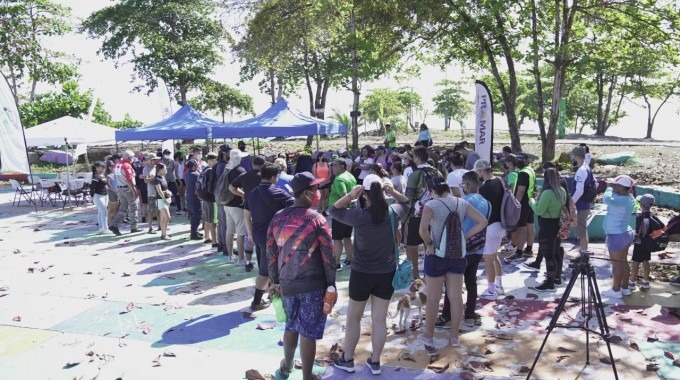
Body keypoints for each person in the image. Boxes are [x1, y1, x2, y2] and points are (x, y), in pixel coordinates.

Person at [331, 176, 410, 375]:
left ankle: (347, 358)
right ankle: (375, 361)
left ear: (364, 194)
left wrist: (350, 195)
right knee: (379, 319)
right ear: (383, 191)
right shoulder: (393, 213)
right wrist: (392, 192)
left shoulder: (358, 215)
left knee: (354, 317)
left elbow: (333, 210)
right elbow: (407, 203)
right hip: (386, 272)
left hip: (361, 273)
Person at [267, 172, 336, 380]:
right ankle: (308, 376)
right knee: (307, 332)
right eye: (315, 189)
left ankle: (286, 368)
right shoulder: (317, 219)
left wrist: (274, 282)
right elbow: (328, 255)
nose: (317, 193)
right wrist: (331, 285)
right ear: (307, 193)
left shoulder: (278, 217)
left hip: (286, 284)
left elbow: (271, 253)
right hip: (313, 285)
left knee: (291, 327)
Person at [417, 176, 487, 348]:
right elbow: (483, 222)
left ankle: (429, 336)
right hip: (458, 254)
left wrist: (430, 244)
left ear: (433, 191)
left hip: (436, 256)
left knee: (433, 298)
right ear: (448, 189)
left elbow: (423, 230)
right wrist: (464, 237)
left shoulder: (431, 205)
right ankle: (454, 336)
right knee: (455, 297)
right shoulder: (461, 203)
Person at [437, 171, 491, 328]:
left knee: (452, 284)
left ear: (467, 185)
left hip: (461, 249)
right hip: (478, 248)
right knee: (471, 281)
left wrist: (464, 237)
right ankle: (469, 314)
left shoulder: (462, 202)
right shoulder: (487, 203)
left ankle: (447, 315)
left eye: (463, 185)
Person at [244, 163, 294, 311]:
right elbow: (297, 207)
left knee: (266, 267)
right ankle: (257, 302)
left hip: (258, 234)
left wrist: (250, 234)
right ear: (274, 177)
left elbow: (246, 216)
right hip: (276, 236)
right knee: (268, 271)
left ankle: (270, 296)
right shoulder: (279, 193)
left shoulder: (252, 193)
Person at [524, 168, 567, 291]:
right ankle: (557, 278)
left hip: (547, 225)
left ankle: (549, 282)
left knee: (549, 255)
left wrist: (532, 201)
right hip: (557, 224)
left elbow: (538, 210)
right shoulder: (562, 191)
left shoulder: (548, 192)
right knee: (556, 252)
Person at [404, 147, 443, 279]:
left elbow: (408, 198)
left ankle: (415, 275)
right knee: (430, 244)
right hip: (436, 214)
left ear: (417, 157)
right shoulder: (438, 173)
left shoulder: (415, 174)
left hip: (416, 215)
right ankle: (429, 274)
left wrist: (403, 217)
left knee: (411, 246)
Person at [474, 159, 506, 299]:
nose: (478, 175)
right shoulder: (499, 181)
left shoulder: (484, 188)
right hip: (501, 224)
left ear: (482, 171)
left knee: (488, 259)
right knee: (494, 256)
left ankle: (491, 290)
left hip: (490, 226)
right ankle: (498, 286)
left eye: (478, 172)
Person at [602, 175, 636, 299]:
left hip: (617, 236)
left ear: (623, 187)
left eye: (616, 185)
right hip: (624, 233)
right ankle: (624, 288)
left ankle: (616, 290)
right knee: (623, 262)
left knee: (616, 264)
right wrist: (613, 186)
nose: (614, 186)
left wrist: (608, 188)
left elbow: (606, 200)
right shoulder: (627, 197)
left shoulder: (621, 199)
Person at [230, 154, 264, 271]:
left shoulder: (244, 176)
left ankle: (248, 261)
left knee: (248, 235)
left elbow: (231, 188)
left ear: (252, 164)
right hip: (263, 207)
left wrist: (243, 194)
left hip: (248, 207)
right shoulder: (264, 176)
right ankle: (263, 262)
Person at [505, 153, 536, 260]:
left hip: (523, 203)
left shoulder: (523, 173)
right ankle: (529, 249)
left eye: (520, 159)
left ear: (527, 160)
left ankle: (519, 251)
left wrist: (515, 204)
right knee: (530, 226)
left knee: (521, 228)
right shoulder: (530, 170)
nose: (519, 161)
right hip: (530, 201)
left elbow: (521, 190)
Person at [328, 159, 357, 270]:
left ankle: (336, 264)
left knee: (337, 239)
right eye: (332, 165)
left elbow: (344, 195)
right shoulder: (350, 176)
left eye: (335, 165)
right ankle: (349, 260)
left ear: (343, 166)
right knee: (347, 237)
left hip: (340, 213)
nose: (332, 167)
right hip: (349, 212)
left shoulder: (339, 179)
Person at [224, 149, 250, 263]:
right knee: (241, 232)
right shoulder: (240, 170)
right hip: (237, 205)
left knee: (229, 230)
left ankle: (230, 256)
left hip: (227, 203)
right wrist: (243, 194)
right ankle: (241, 258)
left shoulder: (227, 169)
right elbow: (238, 187)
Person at [630, 194, 657, 291]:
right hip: (647, 243)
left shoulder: (639, 216)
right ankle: (646, 282)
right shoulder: (651, 216)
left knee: (636, 263)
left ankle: (632, 283)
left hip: (639, 243)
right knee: (646, 262)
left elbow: (641, 231)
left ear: (641, 204)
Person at [110, 150, 141, 235]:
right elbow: (129, 179)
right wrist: (134, 191)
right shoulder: (127, 166)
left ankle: (114, 224)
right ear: (129, 157)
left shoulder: (116, 166)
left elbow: (116, 178)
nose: (132, 159)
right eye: (132, 157)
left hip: (120, 188)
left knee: (123, 209)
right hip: (128, 189)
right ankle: (134, 227)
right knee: (133, 208)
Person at [571, 146, 595, 252]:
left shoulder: (581, 170)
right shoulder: (586, 168)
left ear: (576, 156)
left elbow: (579, 191)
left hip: (581, 206)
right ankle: (583, 253)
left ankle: (584, 255)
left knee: (581, 232)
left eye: (572, 156)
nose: (571, 158)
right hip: (584, 205)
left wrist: (570, 203)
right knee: (582, 231)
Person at [214, 146, 230, 254]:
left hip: (218, 195)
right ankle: (225, 245)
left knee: (221, 221)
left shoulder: (218, 165)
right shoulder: (222, 166)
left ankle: (221, 243)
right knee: (224, 221)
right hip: (222, 195)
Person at [200, 152, 219, 245]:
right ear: (213, 160)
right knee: (213, 221)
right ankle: (215, 241)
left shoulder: (204, 169)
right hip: (211, 199)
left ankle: (207, 237)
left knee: (207, 219)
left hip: (204, 197)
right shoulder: (211, 171)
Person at [184, 159, 203, 240]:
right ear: (193, 166)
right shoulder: (194, 175)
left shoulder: (186, 174)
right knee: (197, 215)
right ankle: (194, 233)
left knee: (192, 215)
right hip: (195, 197)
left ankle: (195, 231)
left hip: (189, 196)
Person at [154, 163, 172, 240]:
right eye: (164, 169)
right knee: (167, 217)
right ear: (160, 170)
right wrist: (165, 199)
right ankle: (164, 235)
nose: (166, 170)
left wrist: (169, 195)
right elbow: (159, 191)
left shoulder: (163, 177)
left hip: (165, 199)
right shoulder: (157, 179)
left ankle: (163, 234)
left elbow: (165, 188)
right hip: (161, 200)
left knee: (163, 218)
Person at [143, 154, 161, 234]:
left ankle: (160, 225)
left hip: (158, 191)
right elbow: (145, 180)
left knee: (158, 210)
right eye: (154, 160)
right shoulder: (146, 169)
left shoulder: (155, 168)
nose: (156, 161)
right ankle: (150, 228)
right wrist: (155, 178)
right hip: (151, 192)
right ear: (150, 160)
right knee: (150, 211)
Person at [91, 161, 109, 234]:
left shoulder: (102, 175)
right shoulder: (95, 176)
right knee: (104, 212)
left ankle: (101, 227)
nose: (104, 168)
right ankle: (105, 228)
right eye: (102, 167)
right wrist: (92, 196)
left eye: (104, 167)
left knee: (100, 212)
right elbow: (92, 187)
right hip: (98, 196)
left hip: (105, 195)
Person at [105, 159, 119, 227]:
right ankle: (109, 222)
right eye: (111, 166)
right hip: (111, 192)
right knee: (111, 208)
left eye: (113, 166)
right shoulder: (107, 175)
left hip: (117, 191)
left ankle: (115, 222)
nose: (112, 167)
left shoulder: (115, 173)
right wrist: (115, 191)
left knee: (116, 207)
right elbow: (109, 185)